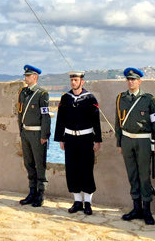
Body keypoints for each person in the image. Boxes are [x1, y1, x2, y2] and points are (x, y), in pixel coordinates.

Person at [116, 67, 155, 225]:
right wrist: (119, 142)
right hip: (127, 140)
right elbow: (118, 122)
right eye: (129, 79)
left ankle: (147, 210)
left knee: (144, 176)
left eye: (134, 79)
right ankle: (136, 208)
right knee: (132, 175)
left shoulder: (148, 99)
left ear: (139, 81)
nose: (131, 82)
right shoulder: (120, 98)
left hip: (143, 141)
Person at [54, 71, 102, 215]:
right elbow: (60, 120)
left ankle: (87, 202)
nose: (73, 82)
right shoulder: (65, 98)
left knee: (86, 170)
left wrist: (97, 140)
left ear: (82, 82)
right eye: (72, 80)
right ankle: (76, 201)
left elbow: (96, 121)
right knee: (72, 169)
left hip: (86, 139)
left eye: (76, 80)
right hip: (70, 139)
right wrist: (60, 139)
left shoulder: (90, 98)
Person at [17, 64, 51, 207]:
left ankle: (40, 193)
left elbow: (45, 116)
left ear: (35, 77)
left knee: (39, 164)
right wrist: (21, 131)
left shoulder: (41, 94)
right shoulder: (23, 93)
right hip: (26, 132)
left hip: (37, 134)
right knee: (28, 163)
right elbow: (19, 113)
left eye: (28, 76)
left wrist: (45, 135)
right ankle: (31, 191)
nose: (26, 78)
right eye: (25, 76)